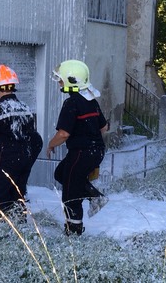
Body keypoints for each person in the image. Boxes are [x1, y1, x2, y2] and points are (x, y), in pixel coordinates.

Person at [46, 59, 109, 236]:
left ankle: (73, 232)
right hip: (96, 151)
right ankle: (94, 196)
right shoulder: (90, 100)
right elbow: (104, 127)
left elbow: (63, 134)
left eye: (61, 79)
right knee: (61, 174)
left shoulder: (72, 103)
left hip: (82, 152)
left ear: (71, 80)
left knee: (70, 194)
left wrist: (50, 145)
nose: (59, 82)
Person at [0, 64, 42, 222]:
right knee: (18, 194)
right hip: (25, 158)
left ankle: (1, 229)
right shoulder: (25, 107)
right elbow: (32, 134)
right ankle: (20, 226)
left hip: (6, 158)